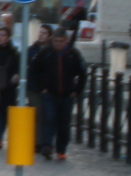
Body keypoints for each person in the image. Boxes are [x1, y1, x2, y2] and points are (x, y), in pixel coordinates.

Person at [27, 26, 87, 161]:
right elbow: (34, 70)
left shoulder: (73, 54)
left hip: (67, 95)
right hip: (49, 94)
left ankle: (61, 149)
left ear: (66, 41)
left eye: (60, 41)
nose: (58, 44)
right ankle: (47, 146)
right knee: (48, 119)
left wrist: (77, 91)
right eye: (55, 41)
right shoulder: (46, 52)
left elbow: (83, 73)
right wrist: (41, 87)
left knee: (64, 124)